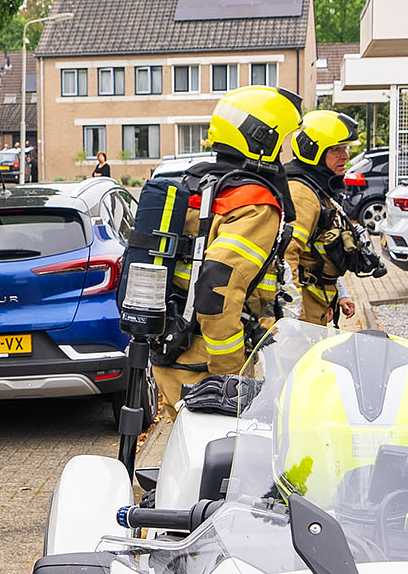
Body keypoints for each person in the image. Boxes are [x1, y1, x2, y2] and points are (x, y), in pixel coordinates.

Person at [148, 86, 299, 413]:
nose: (283, 155)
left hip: (171, 354)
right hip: (208, 366)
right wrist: (228, 375)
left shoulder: (198, 186)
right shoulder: (254, 204)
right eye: (280, 143)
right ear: (262, 140)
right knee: (225, 461)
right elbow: (218, 287)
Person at [283, 110, 367, 327]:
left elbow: (319, 254)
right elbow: (287, 256)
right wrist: (290, 319)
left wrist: (340, 294)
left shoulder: (318, 189)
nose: (346, 156)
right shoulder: (301, 193)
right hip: (302, 314)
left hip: (317, 304)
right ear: (313, 152)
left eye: (346, 149)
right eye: (336, 149)